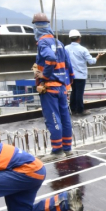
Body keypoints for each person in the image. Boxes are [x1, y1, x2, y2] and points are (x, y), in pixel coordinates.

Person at [33, 13, 75, 154]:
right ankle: (67, 147)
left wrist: (44, 74)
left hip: (49, 88)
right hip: (62, 88)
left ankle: (57, 150)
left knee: (53, 119)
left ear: (37, 27)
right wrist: (67, 85)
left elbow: (50, 58)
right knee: (65, 118)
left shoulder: (43, 43)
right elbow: (69, 67)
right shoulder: (59, 43)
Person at [64, 29, 103, 115]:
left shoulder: (65, 48)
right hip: (81, 75)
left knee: (73, 91)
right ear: (79, 38)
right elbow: (91, 61)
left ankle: (73, 109)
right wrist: (97, 57)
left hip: (71, 75)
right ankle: (80, 110)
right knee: (79, 93)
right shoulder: (83, 49)